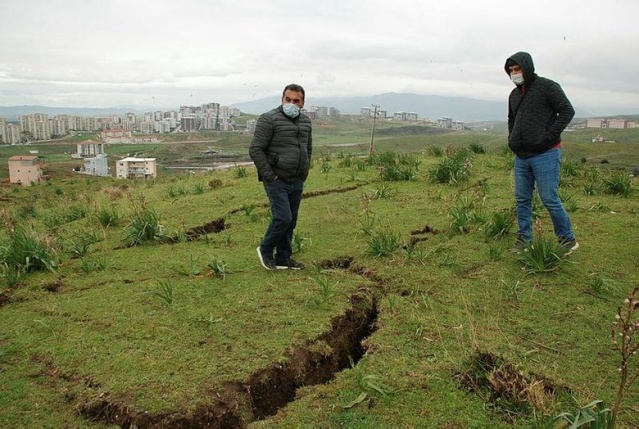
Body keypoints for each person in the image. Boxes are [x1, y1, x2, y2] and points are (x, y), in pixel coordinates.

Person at [505, 51, 579, 254]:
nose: (514, 73)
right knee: (522, 199)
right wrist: (512, 139)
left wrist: (548, 136)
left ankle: (567, 240)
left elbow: (567, 110)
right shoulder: (513, 95)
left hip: (546, 153)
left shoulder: (547, 87)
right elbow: (512, 119)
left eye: (517, 69)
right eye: (511, 70)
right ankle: (524, 240)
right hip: (522, 156)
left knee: (549, 198)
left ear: (527, 67)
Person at [249, 83, 312, 270]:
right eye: (288, 99)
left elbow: (307, 148)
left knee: (291, 221)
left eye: (296, 101)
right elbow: (255, 149)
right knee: (282, 217)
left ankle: (284, 258)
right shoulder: (268, 119)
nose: (291, 103)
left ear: (302, 103)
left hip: (297, 179)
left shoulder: (306, 122)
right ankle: (265, 249)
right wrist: (270, 176)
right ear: (282, 99)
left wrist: (304, 171)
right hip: (277, 179)